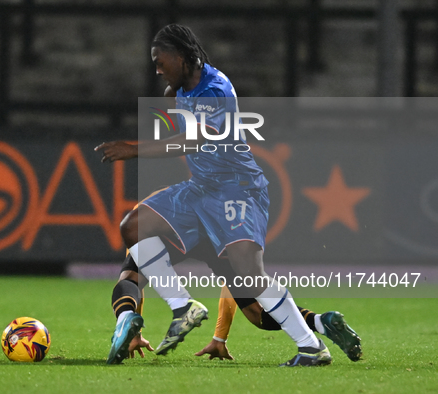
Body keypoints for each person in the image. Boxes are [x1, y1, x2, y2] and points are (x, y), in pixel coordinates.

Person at [96, 23, 331, 367]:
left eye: (161, 62)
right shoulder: (183, 89)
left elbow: (195, 140)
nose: (157, 69)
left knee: (249, 275)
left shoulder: (215, 90)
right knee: (132, 226)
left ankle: (311, 347)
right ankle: (183, 306)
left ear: (180, 57)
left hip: (236, 188)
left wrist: (133, 149)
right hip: (201, 188)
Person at [109, 227, 363, 362]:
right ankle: (320, 322)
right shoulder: (222, 212)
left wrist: (136, 332)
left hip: (165, 232)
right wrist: (219, 337)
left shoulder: (150, 214)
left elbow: (136, 282)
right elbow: (228, 284)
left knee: (130, 278)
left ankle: (126, 319)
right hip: (216, 234)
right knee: (256, 314)